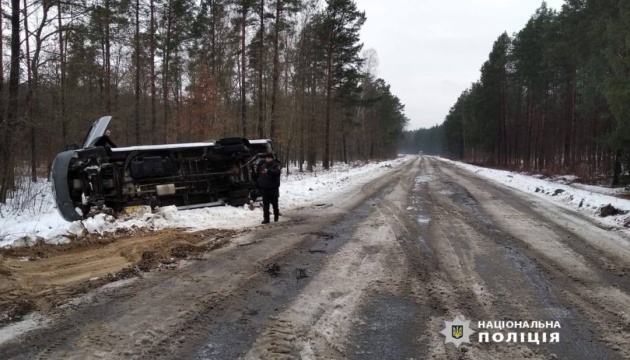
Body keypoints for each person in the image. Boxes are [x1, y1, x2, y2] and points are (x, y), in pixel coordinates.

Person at [257, 153, 281, 224]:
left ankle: (276, 215)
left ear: (272, 158)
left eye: (269, 158)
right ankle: (266, 218)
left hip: (273, 187)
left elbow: (276, 172)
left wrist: (268, 171)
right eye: (266, 158)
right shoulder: (263, 165)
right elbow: (260, 175)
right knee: (265, 204)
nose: (267, 159)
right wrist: (260, 182)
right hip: (265, 187)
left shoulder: (276, 165)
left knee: (274, 203)